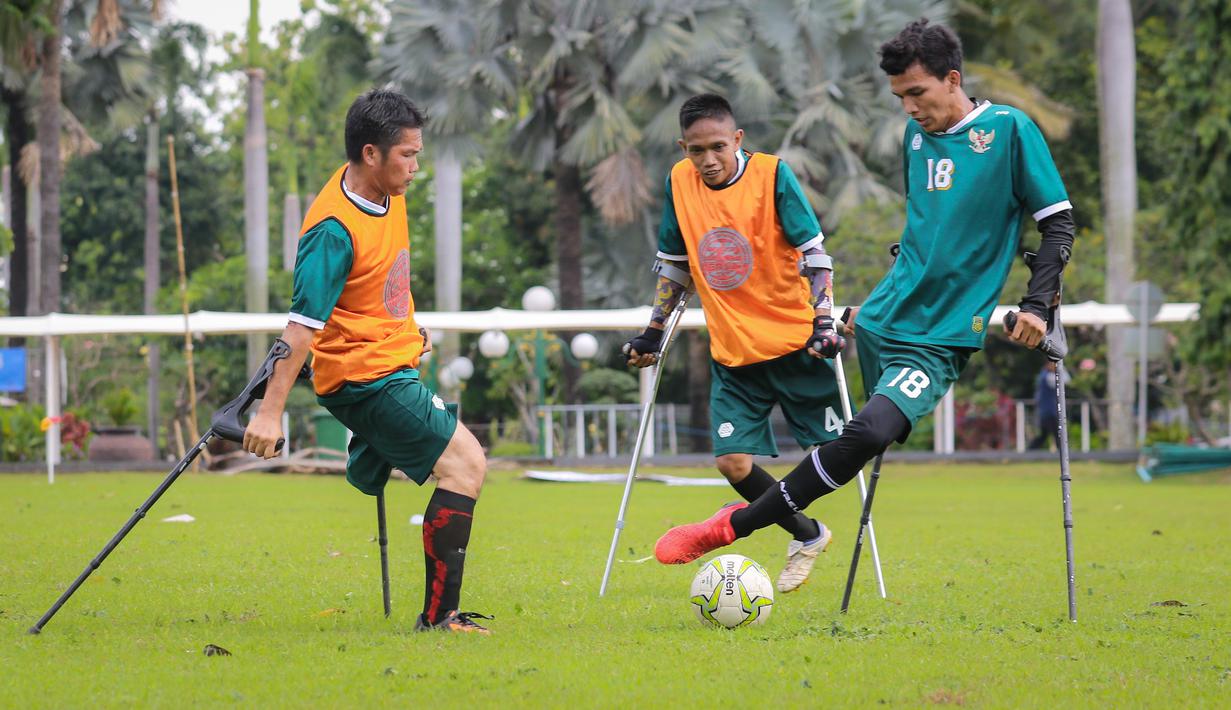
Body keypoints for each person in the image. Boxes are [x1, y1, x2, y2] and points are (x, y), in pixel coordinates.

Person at [653, 19, 1075, 564]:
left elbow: (1058, 223)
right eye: (899, 97)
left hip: (942, 335)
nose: (908, 108)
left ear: (953, 78)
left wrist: (1038, 304)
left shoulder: (1010, 130)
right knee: (855, 437)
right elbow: (925, 233)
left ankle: (733, 527)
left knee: (867, 432)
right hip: (883, 315)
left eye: (917, 93)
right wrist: (868, 304)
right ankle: (788, 525)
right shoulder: (914, 137)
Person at [242, 89, 492, 634]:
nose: (416, 167)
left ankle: (369, 454)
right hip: (363, 378)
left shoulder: (384, 188)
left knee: (457, 459)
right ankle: (439, 619)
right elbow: (301, 327)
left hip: (391, 361)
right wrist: (270, 411)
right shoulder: (331, 231)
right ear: (371, 153)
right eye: (408, 154)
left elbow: (380, 281)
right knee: (466, 464)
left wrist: (407, 329)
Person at [624, 93, 848, 591]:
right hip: (733, 350)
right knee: (731, 461)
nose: (707, 160)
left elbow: (816, 256)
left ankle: (758, 520)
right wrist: (653, 331)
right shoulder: (679, 183)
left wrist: (825, 320)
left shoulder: (772, 175)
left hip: (797, 342)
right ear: (683, 147)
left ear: (738, 140)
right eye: (696, 150)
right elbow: (675, 267)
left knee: (838, 453)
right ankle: (807, 535)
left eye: (718, 148)